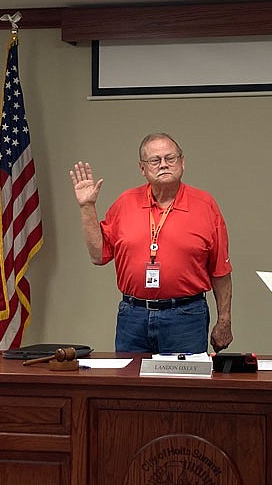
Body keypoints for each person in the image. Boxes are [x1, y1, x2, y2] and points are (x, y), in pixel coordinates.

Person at [70, 132, 232, 354]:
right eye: (155, 160)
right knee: (131, 386)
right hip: (133, 316)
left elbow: (220, 271)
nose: (163, 165)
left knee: (183, 388)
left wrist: (224, 320)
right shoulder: (125, 203)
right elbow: (98, 256)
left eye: (170, 158)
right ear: (142, 168)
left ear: (182, 162)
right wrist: (86, 207)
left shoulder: (205, 205)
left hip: (186, 316)